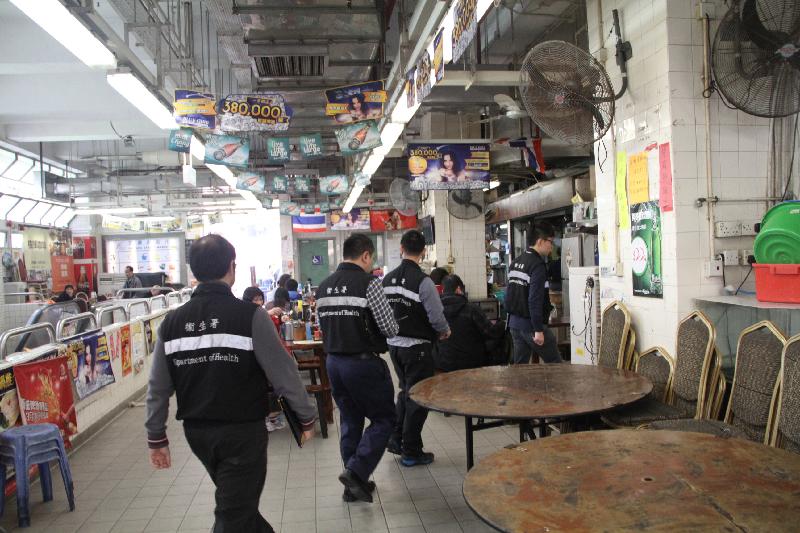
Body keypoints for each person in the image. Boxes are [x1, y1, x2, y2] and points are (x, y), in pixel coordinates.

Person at [145, 234, 317, 532]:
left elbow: (158, 387)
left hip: (198, 434)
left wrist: (156, 436)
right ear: (231, 267)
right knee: (234, 515)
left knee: (238, 505)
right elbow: (284, 373)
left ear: (193, 270)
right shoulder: (251, 317)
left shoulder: (171, 324)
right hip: (242, 433)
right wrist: (306, 416)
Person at [315, 234, 399, 503]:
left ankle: (352, 486)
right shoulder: (369, 283)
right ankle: (356, 472)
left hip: (333, 363)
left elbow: (321, 326)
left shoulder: (323, 286)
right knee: (384, 419)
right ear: (365, 255)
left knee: (350, 421)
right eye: (371, 259)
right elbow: (389, 328)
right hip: (362, 364)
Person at [383, 230, 450, 466]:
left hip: (394, 347)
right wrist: (444, 330)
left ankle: (396, 438)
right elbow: (436, 315)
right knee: (419, 397)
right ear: (423, 252)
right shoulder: (424, 281)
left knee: (406, 392)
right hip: (417, 349)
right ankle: (411, 450)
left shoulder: (386, 280)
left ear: (401, 248)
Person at [506, 223, 561, 364]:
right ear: (540, 241)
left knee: (520, 367)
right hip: (531, 326)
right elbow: (534, 300)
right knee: (556, 364)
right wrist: (538, 330)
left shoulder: (515, 262)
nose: (552, 246)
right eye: (550, 242)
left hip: (514, 325)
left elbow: (510, 295)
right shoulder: (537, 265)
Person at [436, 275, 504, 372]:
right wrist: (501, 324)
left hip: (445, 363)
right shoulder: (471, 309)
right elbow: (491, 332)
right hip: (472, 363)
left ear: (443, 291)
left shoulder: (436, 311)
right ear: (459, 289)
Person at [242, 286, 286, 433]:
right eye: (255, 299)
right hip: (254, 358)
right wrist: (269, 313)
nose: (259, 302)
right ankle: (266, 418)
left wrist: (281, 319)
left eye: (260, 299)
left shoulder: (262, 312)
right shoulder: (247, 314)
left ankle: (271, 416)